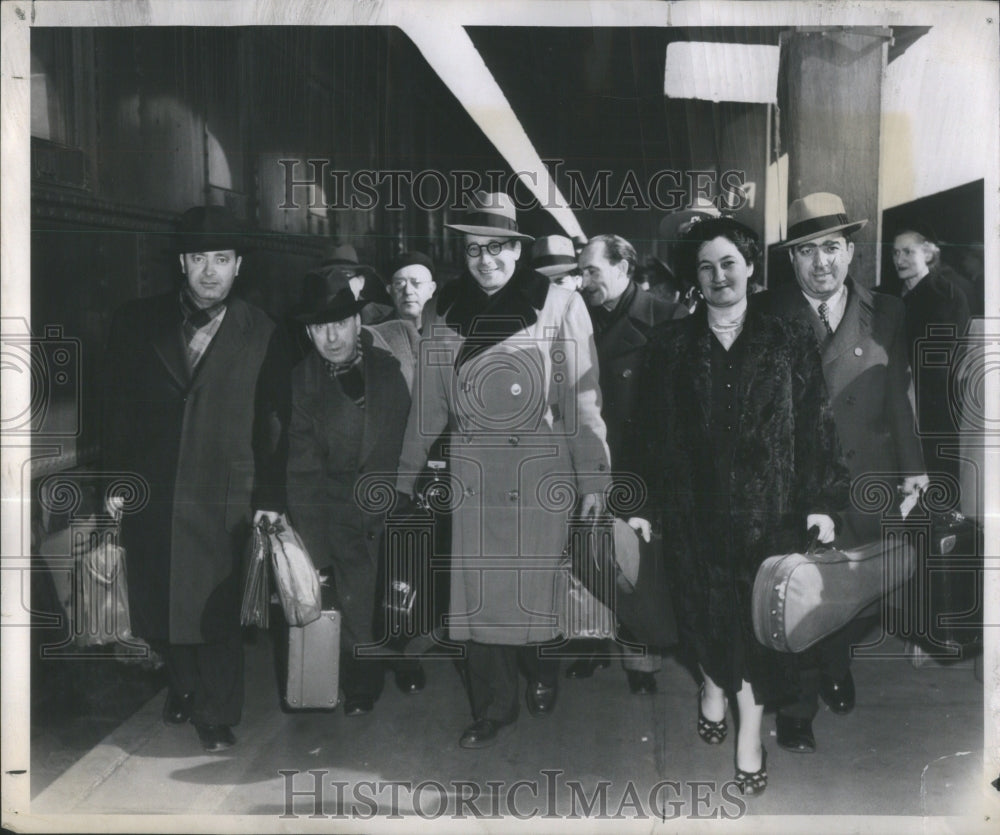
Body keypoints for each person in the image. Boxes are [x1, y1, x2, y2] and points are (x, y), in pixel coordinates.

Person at [633, 217, 849, 796]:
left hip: (767, 517)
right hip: (693, 517)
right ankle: (709, 685)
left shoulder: (788, 338)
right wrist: (642, 502)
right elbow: (647, 434)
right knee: (702, 621)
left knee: (755, 635)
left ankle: (748, 737)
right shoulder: (670, 346)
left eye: (729, 262)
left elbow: (815, 427)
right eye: (706, 267)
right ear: (695, 278)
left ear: (751, 266)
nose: (718, 276)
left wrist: (821, 501)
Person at [395, 191, 611, 749]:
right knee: (478, 596)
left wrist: (594, 479)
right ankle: (493, 707)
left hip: (540, 472)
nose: (486, 260)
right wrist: (404, 479)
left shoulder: (560, 304)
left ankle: (541, 670)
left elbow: (580, 402)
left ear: (517, 250)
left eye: (497, 248)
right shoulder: (442, 313)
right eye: (474, 249)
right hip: (473, 476)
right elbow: (428, 408)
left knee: (534, 589)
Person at [102, 205, 291, 752]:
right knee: (160, 605)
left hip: (226, 495)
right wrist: (115, 480)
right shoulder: (136, 322)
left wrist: (270, 498)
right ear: (182, 263)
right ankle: (182, 685)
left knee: (217, 611)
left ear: (240, 266)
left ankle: (217, 711)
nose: (211, 271)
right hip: (155, 488)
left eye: (223, 259)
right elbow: (116, 408)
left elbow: (273, 423)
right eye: (200, 258)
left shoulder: (264, 332)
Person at [767, 193, 928, 753]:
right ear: (792, 260)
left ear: (851, 251)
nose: (821, 263)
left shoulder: (887, 311)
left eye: (831, 247)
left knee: (853, 589)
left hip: (867, 478)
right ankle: (796, 704)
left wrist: (914, 470)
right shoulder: (769, 313)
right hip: (796, 482)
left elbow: (896, 396)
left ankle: (837, 664)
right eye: (807, 251)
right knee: (799, 592)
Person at [285, 272, 424, 716]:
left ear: (356, 322)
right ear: (308, 331)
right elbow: (302, 471)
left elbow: (412, 437)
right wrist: (316, 550)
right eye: (320, 327)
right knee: (357, 606)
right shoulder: (302, 382)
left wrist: (408, 492)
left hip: (395, 509)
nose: (331, 336)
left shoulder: (388, 368)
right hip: (341, 513)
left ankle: (403, 655)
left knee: (403, 597)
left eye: (340, 323)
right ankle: (363, 680)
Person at [569, 234, 687, 695]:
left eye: (593, 270)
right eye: (581, 271)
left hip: (643, 460)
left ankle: (641, 663)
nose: (585, 280)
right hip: (591, 457)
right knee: (587, 556)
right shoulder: (576, 315)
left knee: (636, 562)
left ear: (623, 268)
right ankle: (589, 646)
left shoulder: (666, 317)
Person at [890, 224, 971, 485]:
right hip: (901, 400)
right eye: (894, 253)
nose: (899, 259)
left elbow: (937, 360)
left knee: (936, 480)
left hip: (933, 405)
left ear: (926, 254)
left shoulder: (943, 294)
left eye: (907, 252)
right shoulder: (890, 295)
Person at [389, 251, 437, 330]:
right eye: (399, 284)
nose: (408, 291)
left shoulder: (449, 331)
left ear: (431, 289)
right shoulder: (375, 334)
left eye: (416, 283)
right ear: (390, 290)